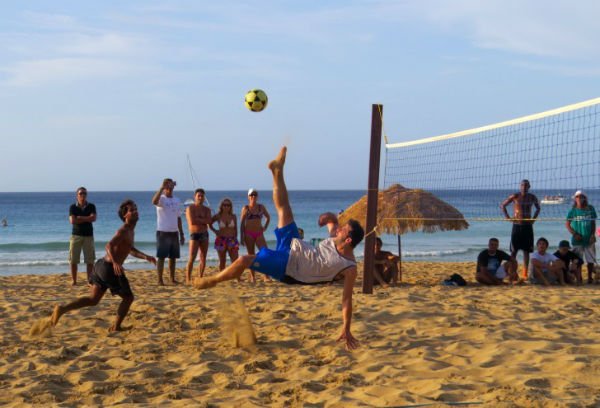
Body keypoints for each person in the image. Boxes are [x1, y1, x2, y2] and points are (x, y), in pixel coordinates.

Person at [194, 147, 365, 350]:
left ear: (347, 241)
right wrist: (328, 218)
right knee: (284, 209)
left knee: (243, 260)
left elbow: (347, 300)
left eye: (342, 231)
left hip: (290, 268)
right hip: (295, 245)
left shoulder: (349, 267)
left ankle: (212, 280)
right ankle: (277, 171)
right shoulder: (336, 236)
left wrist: (346, 328)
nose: (338, 230)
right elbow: (331, 222)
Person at [51, 200, 156, 332]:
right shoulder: (123, 230)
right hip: (109, 268)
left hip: (101, 266)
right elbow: (109, 245)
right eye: (131, 210)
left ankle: (62, 309)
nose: (135, 211)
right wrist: (116, 262)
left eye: (136, 208)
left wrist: (145, 256)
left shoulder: (130, 231)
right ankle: (116, 327)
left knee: (93, 299)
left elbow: (129, 249)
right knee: (128, 298)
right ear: (125, 216)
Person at [501, 179, 540, 278]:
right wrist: (507, 217)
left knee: (526, 251)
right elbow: (503, 205)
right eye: (522, 185)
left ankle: (525, 273)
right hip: (517, 225)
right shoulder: (515, 196)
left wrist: (534, 219)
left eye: (526, 185)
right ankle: (512, 272)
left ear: (529, 187)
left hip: (527, 226)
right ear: (520, 186)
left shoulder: (532, 197)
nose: (524, 187)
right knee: (514, 251)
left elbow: (538, 208)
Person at [151, 178, 185, 285]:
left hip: (174, 232)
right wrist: (161, 187)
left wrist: (182, 233)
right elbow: (153, 201)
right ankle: (160, 280)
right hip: (163, 231)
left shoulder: (177, 200)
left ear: (173, 186)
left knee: (173, 257)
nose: (169, 188)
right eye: (167, 186)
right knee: (161, 257)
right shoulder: (161, 198)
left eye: (171, 185)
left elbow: (179, 217)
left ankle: (172, 279)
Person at [566, 190, 597, 284]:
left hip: (589, 239)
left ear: (584, 198)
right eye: (577, 197)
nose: (579, 198)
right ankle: (579, 278)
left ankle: (589, 278)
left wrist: (592, 235)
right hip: (577, 240)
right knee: (578, 260)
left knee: (590, 260)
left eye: (581, 196)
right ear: (575, 199)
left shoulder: (590, 209)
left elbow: (593, 223)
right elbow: (567, 225)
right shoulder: (572, 211)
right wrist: (575, 234)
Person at [240, 188, 271, 282]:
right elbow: (241, 223)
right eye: (251, 195)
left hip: (259, 234)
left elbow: (268, 217)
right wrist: (241, 237)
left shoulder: (261, 207)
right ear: (248, 197)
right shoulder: (246, 208)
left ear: (257, 196)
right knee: (251, 255)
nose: (253, 196)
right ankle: (252, 276)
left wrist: (265, 227)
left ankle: (266, 276)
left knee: (265, 253)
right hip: (248, 234)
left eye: (255, 195)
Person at [68, 187, 97, 285]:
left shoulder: (91, 206)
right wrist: (87, 218)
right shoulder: (73, 207)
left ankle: (89, 281)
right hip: (76, 235)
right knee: (73, 260)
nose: (83, 195)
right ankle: (74, 281)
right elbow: (72, 221)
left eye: (84, 193)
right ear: (77, 195)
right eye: (81, 193)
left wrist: (80, 217)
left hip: (88, 236)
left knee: (90, 260)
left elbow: (93, 218)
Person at [185, 188, 212, 285]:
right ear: (195, 197)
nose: (200, 197)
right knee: (192, 257)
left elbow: (209, 221)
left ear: (204, 197)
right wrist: (203, 220)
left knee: (203, 257)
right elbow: (192, 221)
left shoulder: (207, 209)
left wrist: (199, 219)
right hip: (194, 234)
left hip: (204, 234)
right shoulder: (190, 208)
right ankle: (188, 279)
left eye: (202, 196)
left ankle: (200, 277)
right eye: (198, 196)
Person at [210, 198, 239, 272]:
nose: (226, 207)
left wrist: (236, 239)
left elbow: (236, 229)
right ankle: (221, 277)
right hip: (221, 240)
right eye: (224, 205)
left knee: (235, 260)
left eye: (228, 205)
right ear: (221, 206)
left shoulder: (233, 216)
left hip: (232, 239)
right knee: (222, 261)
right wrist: (215, 231)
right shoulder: (218, 216)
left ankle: (237, 278)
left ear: (230, 207)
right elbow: (209, 223)